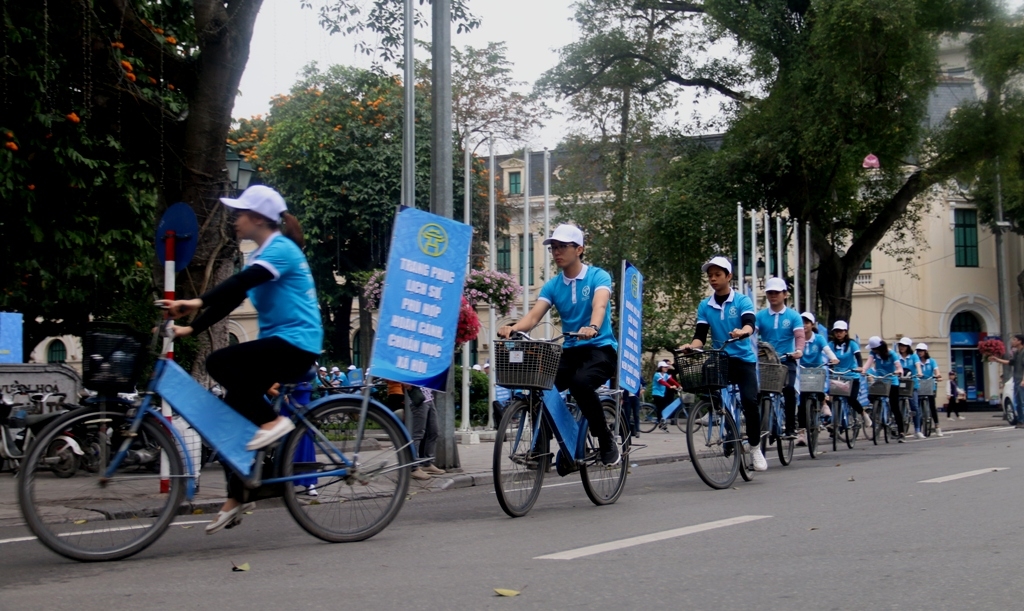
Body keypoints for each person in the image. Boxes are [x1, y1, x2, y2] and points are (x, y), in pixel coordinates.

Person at [159, 185, 323, 534]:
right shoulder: (262, 253)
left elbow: (240, 282)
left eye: (240, 213)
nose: (234, 219)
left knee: (219, 363)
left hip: (296, 344)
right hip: (277, 343)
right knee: (231, 417)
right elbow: (233, 300)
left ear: (259, 218)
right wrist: (193, 327)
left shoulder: (281, 250)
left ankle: (272, 424)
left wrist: (196, 302)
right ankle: (239, 496)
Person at [498, 224, 622, 466]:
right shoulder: (553, 285)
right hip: (572, 351)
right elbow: (533, 318)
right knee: (539, 383)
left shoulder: (598, 276)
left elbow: (600, 306)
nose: (557, 252)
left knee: (580, 384)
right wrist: (513, 328)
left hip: (601, 350)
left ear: (579, 249)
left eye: (562, 246)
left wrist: (593, 327)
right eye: (554, 247)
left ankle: (606, 440)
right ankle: (543, 448)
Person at [679, 257, 766, 471]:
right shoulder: (705, 306)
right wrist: (692, 346)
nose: (713, 279)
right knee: (706, 385)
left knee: (749, 401)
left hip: (743, 360)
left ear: (729, 276)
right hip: (720, 358)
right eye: (710, 275)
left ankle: (755, 448)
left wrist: (742, 332)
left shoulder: (742, 301)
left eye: (717, 275)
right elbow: (700, 335)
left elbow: (750, 324)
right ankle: (727, 424)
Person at [754, 277, 805, 442]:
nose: (773, 295)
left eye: (776, 292)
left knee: (789, 389)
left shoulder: (793, 316)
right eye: (770, 292)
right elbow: (752, 336)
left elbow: (799, 336)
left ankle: (790, 427)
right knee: (758, 392)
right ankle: (763, 426)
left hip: (786, 359)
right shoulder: (760, 316)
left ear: (785, 294)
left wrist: (798, 351)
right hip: (765, 360)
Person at [797, 312, 838, 446]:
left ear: (812, 325)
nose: (804, 325)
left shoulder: (819, 338)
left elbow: (827, 350)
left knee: (818, 381)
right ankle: (802, 433)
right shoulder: (797, 337)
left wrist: (833, 358)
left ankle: (824, 403)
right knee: (802, 403)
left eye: (807, 322)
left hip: (816, 369)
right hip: (802, 371)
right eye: (802, 322)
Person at [828, 321, 872, 435]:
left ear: (846, 332)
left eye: (841, 331)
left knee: (851, 399)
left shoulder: (852, 344)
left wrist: (860, 367)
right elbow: (828, 357)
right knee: (833, 398)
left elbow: (858, 356)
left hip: (852, 375)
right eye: (836, 331)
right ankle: (835, 423)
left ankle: (863, 414)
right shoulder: (831, 345)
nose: (838, 334)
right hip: (837, 376)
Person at [864, 336, 907, 442]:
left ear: (879, 348)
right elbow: (868, 363)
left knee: (894, 406)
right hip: (880, 380)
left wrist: (898, 371)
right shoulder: (873, 354)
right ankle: (878, 416)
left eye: (874, 349)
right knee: (871, 396)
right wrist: (864, 370)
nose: (873, 351)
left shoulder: (892, 354)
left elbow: (899, 367)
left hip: (892, 381)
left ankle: (901, 432)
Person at [409, 387, 445, 480]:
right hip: (419, 399)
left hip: (429, 398)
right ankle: (413, 467)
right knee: (418, 434)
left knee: (434, 431)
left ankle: (427, 463)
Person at [991, 334, 1024, 428]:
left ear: (1020, 341)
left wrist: (1023, 379)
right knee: (1017, 402)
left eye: (1015, 339)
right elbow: (1010, 362)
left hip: (1021, 380)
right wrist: (997, 360)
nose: (1012, 341)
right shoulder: (1016, 352)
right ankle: (1021, 421)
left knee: (1022, 402)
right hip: (1016, 380)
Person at [896, 337, 925, 438]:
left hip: (912, 384)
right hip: (899, 384)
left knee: (914, 406)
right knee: (896, 404)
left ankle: (917, 430)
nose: (902, 347)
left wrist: (919, 372)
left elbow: (917, 365)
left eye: (904, 346)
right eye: (900, 345)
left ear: (908, 347)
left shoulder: (914, 357)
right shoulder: (897, 356)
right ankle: (897, 427)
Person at [915, 343, 944, 437]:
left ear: (926, 351)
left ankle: (937, 426)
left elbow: (936, 371)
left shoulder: (931, 361)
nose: (920, 353)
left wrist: (938, 376)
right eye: (918, 351)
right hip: (919, 385)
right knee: (917, 406)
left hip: (929, 384)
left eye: (922, 351)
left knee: (932, 406)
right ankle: (918, 427)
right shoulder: (916, 361)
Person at [651, 360, 682, 431]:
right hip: (656, 393)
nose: (666, 368)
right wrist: (670, 386)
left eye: (667, 367)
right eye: (665, 367)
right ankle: (660, 423)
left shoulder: (665, 375)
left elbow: (672, 380)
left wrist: (679, 385)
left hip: (662, 393)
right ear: (661, 367)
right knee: (661, 408)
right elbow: (662, 382)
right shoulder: (657, 375)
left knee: (664, 407)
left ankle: (662, 423)